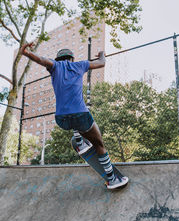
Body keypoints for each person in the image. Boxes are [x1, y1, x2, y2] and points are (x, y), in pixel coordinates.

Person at [20, 43, 128, 189]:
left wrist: (25, 52)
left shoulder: (54, 66)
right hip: (81, 116)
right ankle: (112, 179)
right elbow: (102, 63)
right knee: (99, 144)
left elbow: (41, 59)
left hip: (61, 120)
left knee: (73, 120)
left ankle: (79, 140)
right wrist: (102, 53)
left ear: (58, 59)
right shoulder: (79, 65)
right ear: (71, 58)